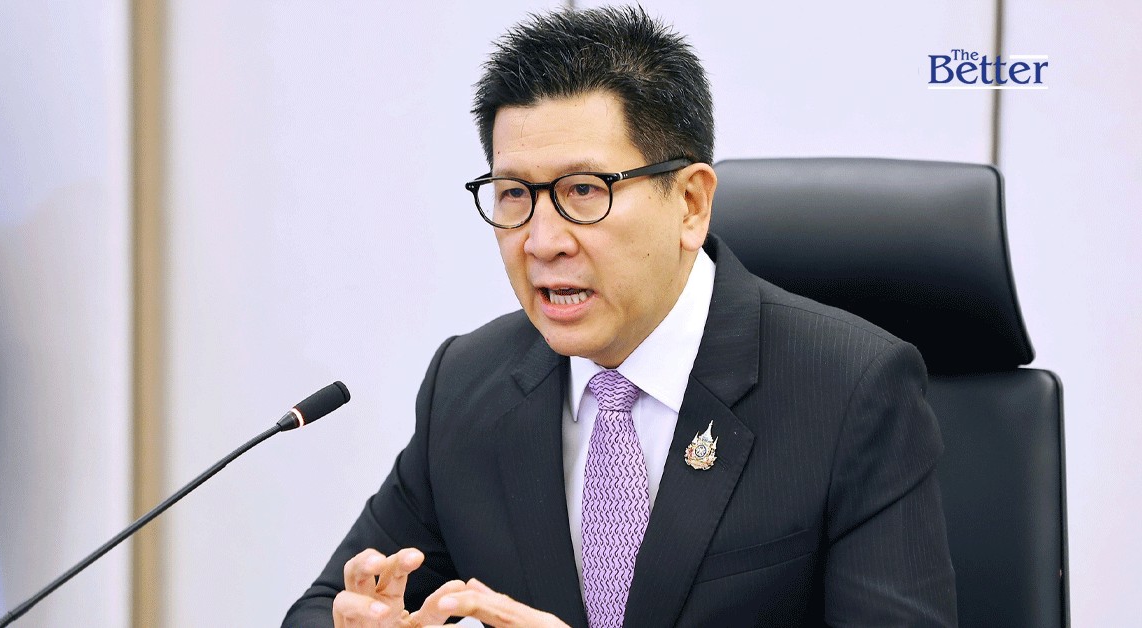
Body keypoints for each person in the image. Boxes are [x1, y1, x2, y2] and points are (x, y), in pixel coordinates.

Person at [285, 6, 957, 627]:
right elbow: (319, 609)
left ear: (690, 203)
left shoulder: (848, 390)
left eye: (584, 190)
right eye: (514, 193)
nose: (542, 240)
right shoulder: (467, 385)